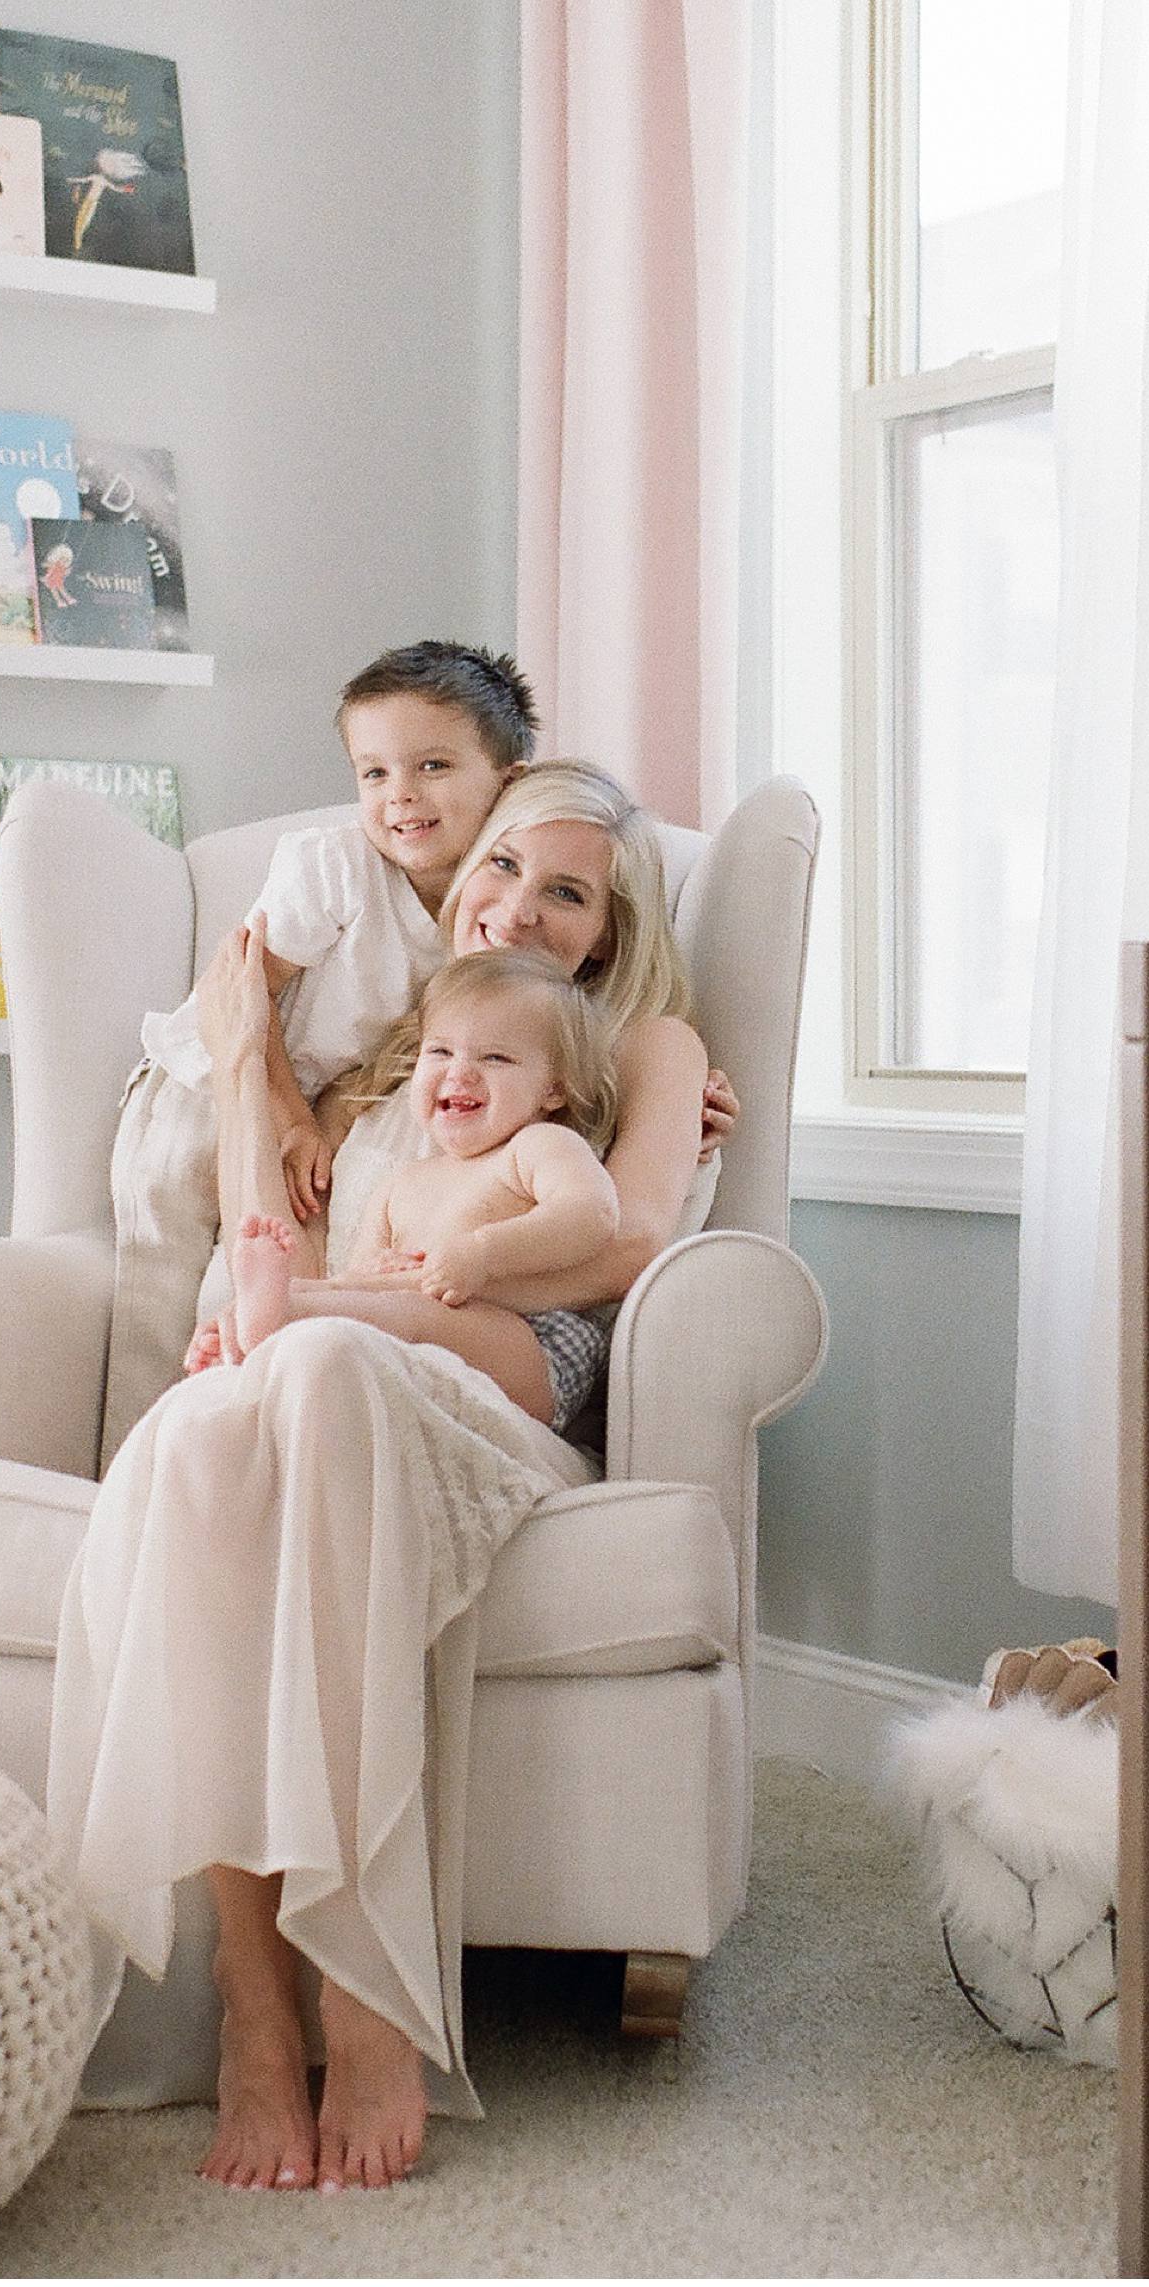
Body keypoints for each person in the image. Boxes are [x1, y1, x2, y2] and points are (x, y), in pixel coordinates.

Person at [50, 759, 743, 2199]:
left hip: (498, 1390)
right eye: (502, 870)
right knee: (216, 1423)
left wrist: (343, 1306)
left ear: (610, 932)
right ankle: (258, 1994)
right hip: (340, 1372)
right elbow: (268, 1228)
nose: (522, 909)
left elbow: (631, 1240)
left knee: (301, 1365)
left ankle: (360, 1990)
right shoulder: (408, 1036)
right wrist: (250, 1049)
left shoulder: (645, 1043)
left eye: (569, 893)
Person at [100, 639, 539, 1459]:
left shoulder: (497, 907)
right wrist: (291, 1117)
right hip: (204, 1079)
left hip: (319, 1100)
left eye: (433, 766)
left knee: (267, 1268)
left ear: (507, 781)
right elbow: (243, 994)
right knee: (163, 1265)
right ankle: (130, 1451)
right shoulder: (334, 868)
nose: (400, 797)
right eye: (373, 774)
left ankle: (251, 1431)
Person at [219, 951, 626, 1434]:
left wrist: (484, 1252)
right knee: (357, 1313)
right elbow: (358, 1282)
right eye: (440, 1052)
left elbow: (592, 1213)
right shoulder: (402, 1185)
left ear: (553, 1091)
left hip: (531, 1341)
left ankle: (280, 1313)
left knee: (415, 1312)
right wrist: (367, 1275)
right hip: (409, 1345)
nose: (460, 1073)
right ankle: (258, 1320)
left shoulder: (537, 1146)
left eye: (495, 1057)